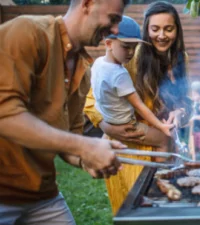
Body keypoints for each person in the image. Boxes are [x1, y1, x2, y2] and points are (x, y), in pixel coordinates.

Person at [0, 0, 131, 224]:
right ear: (88, 4)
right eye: (113, 19)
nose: (116, 30)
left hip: (42, 194)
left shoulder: (83, 70)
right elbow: (5, 114)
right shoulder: (27, 32)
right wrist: (84, 146)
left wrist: (85, 159)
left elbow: (70, 137)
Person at [84, 1, 192, 214]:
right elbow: (91, 100)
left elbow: (185, 101)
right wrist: (107, 125)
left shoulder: (181, 58)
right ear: (146, 30)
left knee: (164, 209)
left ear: (177, 31)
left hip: (166, 147)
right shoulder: (130, 54)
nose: (162, 35)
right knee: (134, 213)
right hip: (130, 149)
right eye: (155, 29)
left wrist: (180, 113)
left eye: (168, 29)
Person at [91, 15, 174, 155]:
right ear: (109, 43)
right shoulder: (119, 74)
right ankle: (160, 175)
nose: (131, 52)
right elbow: (139, 106)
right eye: (126, 47)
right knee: (164, 140)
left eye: (134, 47)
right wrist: (161, 126)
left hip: (107, 117)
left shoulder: (98, 63)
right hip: (127, 125)